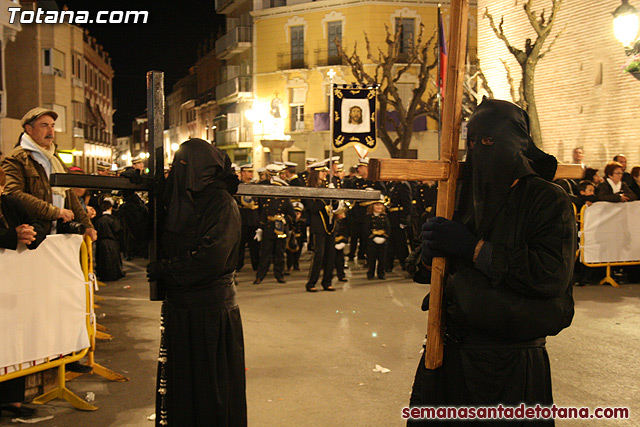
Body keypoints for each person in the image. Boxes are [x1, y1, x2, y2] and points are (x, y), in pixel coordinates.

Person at [409, 98, 576, 423]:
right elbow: (420, 268)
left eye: (489, 141)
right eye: (472, 143)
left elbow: (550, 274)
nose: (480, 151)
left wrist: (474, 248)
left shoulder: (547, 199)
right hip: (450, 356)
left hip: (511, 364)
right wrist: (428, 256)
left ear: (517, 143)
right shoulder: (456, 195)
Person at [146, 138, 246, 427]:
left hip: (210, 313)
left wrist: (168, 269)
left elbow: (213, 256)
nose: (179, 171)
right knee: (184, 389)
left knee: (210, 390)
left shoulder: (221, 202)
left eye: (185, 165)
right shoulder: (183, 199)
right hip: (182, 311)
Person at [1, 107, 96, 241]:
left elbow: (69, 193)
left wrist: (87, 225)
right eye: (44, 126)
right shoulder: (17, 158)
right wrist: (54, 212)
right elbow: (12, 194)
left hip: (57, 235)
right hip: (32, 236)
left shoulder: (54, 157)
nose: (51, 131)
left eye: (52, 126)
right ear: (29, 129)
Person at [0, 167, 45, 419]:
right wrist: (10, 235)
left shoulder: (11, 203)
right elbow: (9, 234)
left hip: (13, 287)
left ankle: (12, 400)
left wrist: (31, 234)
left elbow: (39, 223)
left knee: (12, 338)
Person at [253, 164, 295, 285]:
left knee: (279, 253)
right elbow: (263, 214)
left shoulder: (285, 200)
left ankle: (279, 275)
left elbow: (291, 215)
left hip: (281, 229)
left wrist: (284, 219)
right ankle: (260, 275)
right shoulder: (268, 199)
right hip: (269, 228)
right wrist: (260, 228)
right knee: (265, 253)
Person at [304, 163, 337, 292]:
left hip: (330, 223)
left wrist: (334, 197)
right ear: (316, 173)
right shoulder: (309, 189)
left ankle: (327, 281)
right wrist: (325, 196)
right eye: (322, 172)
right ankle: (311, 282)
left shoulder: (327, 187)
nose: (325, 174)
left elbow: (334, 204)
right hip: (318, 225)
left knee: (330, 254)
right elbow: (312, 208)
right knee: (319, 255)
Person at [235, 164, 260, 272]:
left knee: (254, 245)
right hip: (242, 219)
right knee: (240, 245)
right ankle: (238, 265)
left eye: (251, 172)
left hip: (253, 219)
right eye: (248, 172)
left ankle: (256, 265)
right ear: (242, 173)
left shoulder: (254, 186)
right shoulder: (237, 186)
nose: (251, 174)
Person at [93, 199, 125, 282]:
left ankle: (103, 275)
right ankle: (113, 275)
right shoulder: (112, 219)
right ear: (110, 208)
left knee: (102, 260)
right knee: (112, 260)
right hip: (111, 242)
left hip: (101, 243)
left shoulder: (98, 220)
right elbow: (118, 229)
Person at [385, 181, 412, 272]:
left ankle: (405, 264)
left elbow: (407, 204)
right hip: (391, 217)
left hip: (398, 217)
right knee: (390, 243)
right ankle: (388, 265)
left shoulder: (403, 185)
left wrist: (403, 220)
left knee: (401, 244)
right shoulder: (392, 185)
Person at [364, 198, 390, 280]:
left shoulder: (384, 217)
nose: (379, 207)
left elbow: (388, 228)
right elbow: (366, 229)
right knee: (372, 258)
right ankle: (370, 273)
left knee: (382, 259)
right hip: (372, 241)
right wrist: (372, 237)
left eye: (380, 205)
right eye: (376, 205)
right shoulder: (369, 217)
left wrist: (384, 237)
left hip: (382, 240)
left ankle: (381, 273)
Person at [286, 201, 306, 273]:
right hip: (291, 238)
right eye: (295, 213)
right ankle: (289, 266)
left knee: (298, 253)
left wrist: (305, 241)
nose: (296, 215)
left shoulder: (302, 222)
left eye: (298, 214)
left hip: (299, 238)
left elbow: (304, 232)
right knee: (290, 253)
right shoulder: (290, 221)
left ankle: (296, 265)